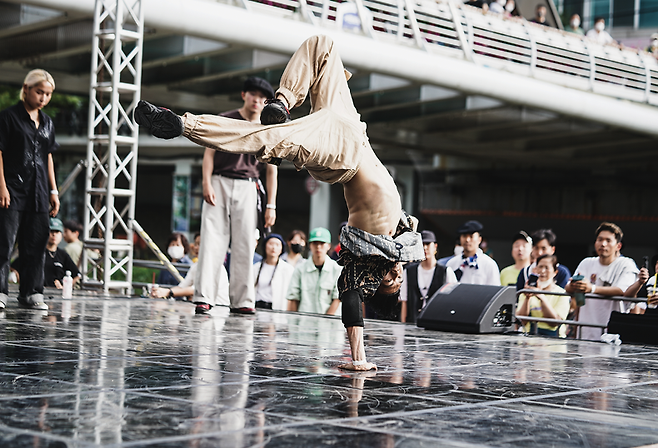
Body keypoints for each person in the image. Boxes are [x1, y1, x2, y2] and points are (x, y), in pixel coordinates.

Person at [135, 35, 425, 370]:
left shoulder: (370, 255)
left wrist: (358, 357)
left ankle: (183, 124)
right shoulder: (405, 237)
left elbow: (351, 298)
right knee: (322, 44)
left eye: (390, 283)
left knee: (265, 137)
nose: (397, 277)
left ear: (375, 280)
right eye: (398, 280)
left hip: (341, 155)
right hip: (355, 129)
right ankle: (282, 103)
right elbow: (409, 248)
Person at [193, 77, 278, 315]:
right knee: (211, 241)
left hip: (249, 185)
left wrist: (271, 204)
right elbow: (208, 153)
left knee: (245, 244)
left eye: (263, 98)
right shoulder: (226, 119)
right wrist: (206, 182)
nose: (257, 101)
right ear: (244, 95)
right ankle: (204, 297)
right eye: (253, 95)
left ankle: (242, 300)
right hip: (219, 181)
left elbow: (272, 169)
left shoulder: (266, 127)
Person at [0, 69, 60, 310]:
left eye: (48, 94)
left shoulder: (47, 123)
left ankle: (31, 292)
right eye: (39, 92)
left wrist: (54, 191)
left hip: (39, 192)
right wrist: (1, 186)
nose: (43, 98)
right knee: (4, 242)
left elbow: (48, 157)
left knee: (36, 242)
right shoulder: (8, 117)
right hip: (12, 189)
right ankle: (1, 292)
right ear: (26, 89)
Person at [565, 222, 638, 341]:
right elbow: (567, 288)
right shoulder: (587, 262)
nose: (603, 244)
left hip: (611, 332)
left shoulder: (626, 264)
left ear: (618, 246)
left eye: (608, 240)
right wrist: (575, 285)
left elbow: (622, 290)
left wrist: (591, 288)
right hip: (585, 329)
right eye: (600, 239)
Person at [400, 230, 457, 323]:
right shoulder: (409, 272)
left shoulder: (446, 272)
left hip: (437, 324)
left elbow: (452, 302)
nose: (424, 247)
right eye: (421, 244)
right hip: (412, 324)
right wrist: (402, 328)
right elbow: (404, 302)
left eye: (428, 244)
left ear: (435, 246)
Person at [151, 235, 229, 303]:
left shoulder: (214, 266)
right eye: (195, 244)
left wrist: (169, 292)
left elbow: (195, 290)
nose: (196, 248)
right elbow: (182, 286)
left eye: (200, 244)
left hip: (219, 308)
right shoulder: (195, 266)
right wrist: (161, 292)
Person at [287, 227, 342, 316]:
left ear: (328, 246)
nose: (318, 247)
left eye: (322, 243)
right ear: (310, 245)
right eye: (315, 243)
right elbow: (293, 298)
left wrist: (326, 321)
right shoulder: (300, 269)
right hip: (304, 324)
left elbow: (338, 298)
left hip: (331, 326)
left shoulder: (337, 269)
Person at [516, 254, 570, 337]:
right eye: (540, 267)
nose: (543, 271)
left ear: (555, 272)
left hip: (554, 342)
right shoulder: (526, 291)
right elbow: (521, 321)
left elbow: (555, 322)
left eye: (547, 268)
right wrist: (527, 298)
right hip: (528, 341)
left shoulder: (562, 293)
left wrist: (541, 297)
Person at [446, 220, 500, 285]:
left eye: (471, 236)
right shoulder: (451, 263)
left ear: (479, 239)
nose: (467, 240)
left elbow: (494, 292)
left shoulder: (489, 264)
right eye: (464, 236)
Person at [254, 233, 295, 310]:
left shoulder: (288, 269)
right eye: (271, 244)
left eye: (277, 245)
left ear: (281, 248)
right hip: (257, 306)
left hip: (276, 307)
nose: (273, 247)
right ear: (265, 246)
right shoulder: (256, 267)